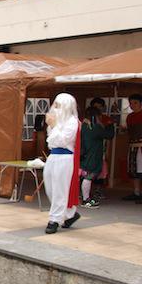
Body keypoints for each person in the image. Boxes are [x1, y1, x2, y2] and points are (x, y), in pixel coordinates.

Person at [43, 93, 81, 234]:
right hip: (53, 156)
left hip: (65, 158)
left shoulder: (72, 121)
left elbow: (63, 141)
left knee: (60, 189)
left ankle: (54, 220)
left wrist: (53, 126)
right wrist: (53, 125)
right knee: (50, 188)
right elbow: (51, 141)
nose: (55, 108)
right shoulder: (58, 121)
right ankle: (70, 214)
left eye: (58, 105)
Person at [80, 107, 114, 208]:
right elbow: (109, 135)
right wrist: (110, 124)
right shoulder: (94, 127)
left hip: (84, 155)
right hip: (92, 156)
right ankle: (86, 200)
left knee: (86, 176)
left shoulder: (83, 126)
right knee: (89, 176)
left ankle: (85, 198)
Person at [122, 93, 142, 202]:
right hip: (132, 146)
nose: (132, 105)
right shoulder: (129, 117)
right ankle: (136, 192)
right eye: (131, 103)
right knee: (134, 171)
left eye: (135, 103)